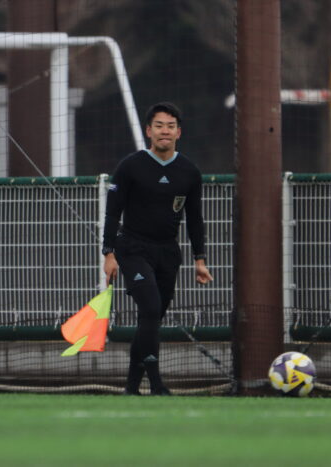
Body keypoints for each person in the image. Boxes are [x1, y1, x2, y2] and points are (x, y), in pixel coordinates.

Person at [102, 102, 213, 396]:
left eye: (171, 126)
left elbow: (195, 218)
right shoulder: (130, 166)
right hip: (132, 249)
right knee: (150, 308)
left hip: (168, 253)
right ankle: (156, 383)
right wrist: (108, 253)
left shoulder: (189, 172)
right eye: (160, 126)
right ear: (149, 131)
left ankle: (131, 388)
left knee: (151, 319)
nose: (165, 131)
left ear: (179, 132)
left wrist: (200, 259)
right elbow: (112, 211)